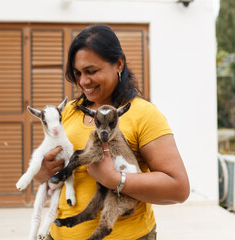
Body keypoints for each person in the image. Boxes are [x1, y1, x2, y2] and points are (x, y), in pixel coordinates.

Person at [34, 25, 190, 240]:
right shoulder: (68, 111)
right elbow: (47, 172)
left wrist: (115, 179)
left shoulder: (144, 114)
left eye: (91, 71)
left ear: (118, 63)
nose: (83, 81)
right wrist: (42, 172)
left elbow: (178, 188)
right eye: (78, 73)